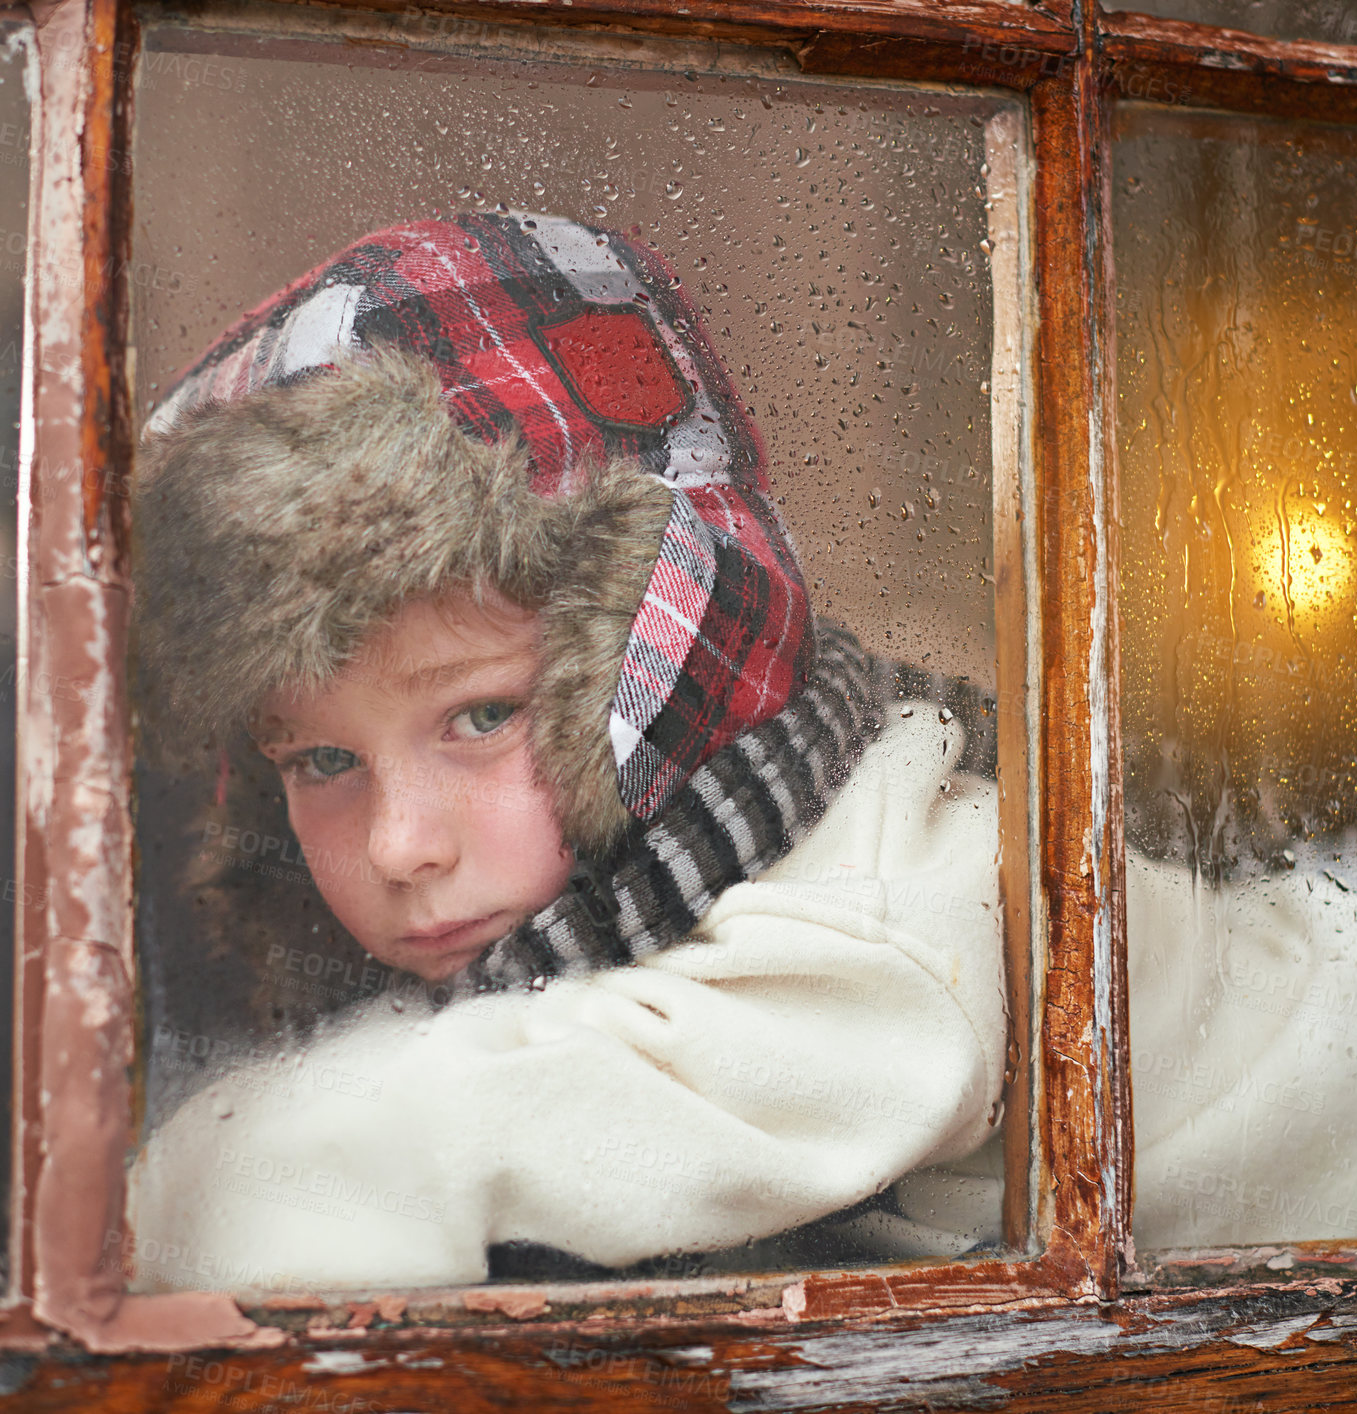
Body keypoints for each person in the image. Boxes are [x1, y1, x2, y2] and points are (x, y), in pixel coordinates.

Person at [125, 211, 1010, 1290]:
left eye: (483, 716)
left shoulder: (886, 891)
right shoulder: (579, 922)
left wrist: (206, 1182)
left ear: (651, 667)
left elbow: (523, 1114)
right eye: (320, 762)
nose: (401, 847)